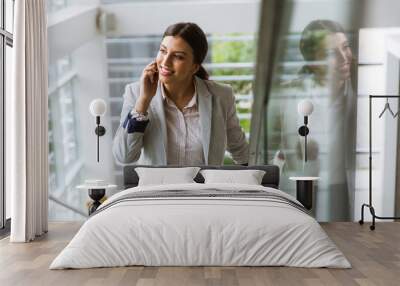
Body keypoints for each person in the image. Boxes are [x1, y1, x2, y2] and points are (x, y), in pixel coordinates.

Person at [112, 22, 249, 166]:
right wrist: (143, 101)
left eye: (178, 56)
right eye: (163, 51)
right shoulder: (136, 93)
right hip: (158, 188)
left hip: (204, 188)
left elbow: (241, 151)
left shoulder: (221, 96)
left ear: (195, 67)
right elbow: (123, 156)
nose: (165, 62)